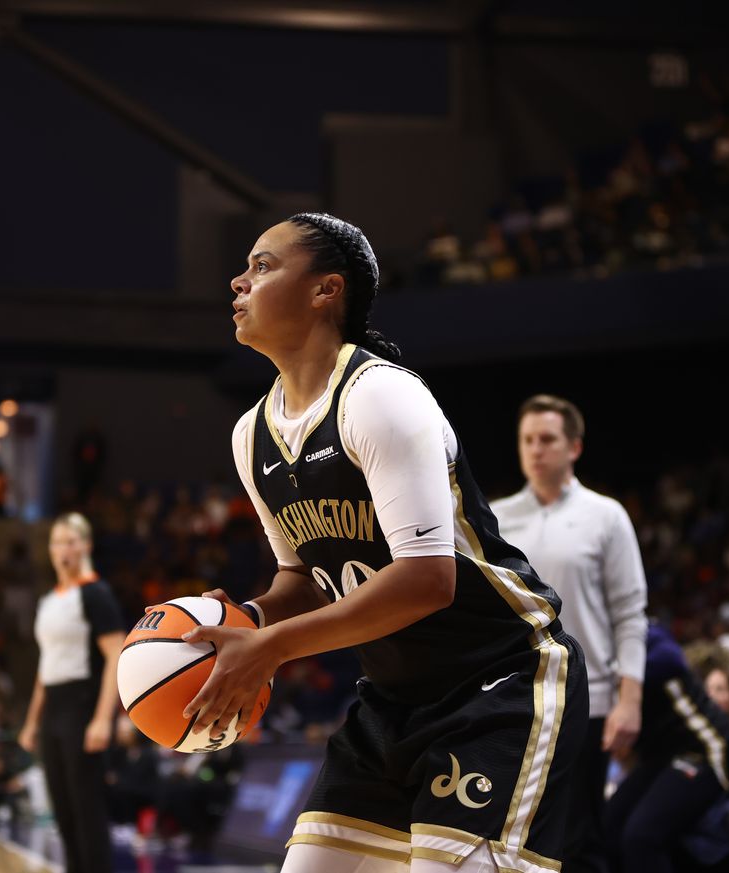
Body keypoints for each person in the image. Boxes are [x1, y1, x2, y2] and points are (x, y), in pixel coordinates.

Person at [182, 213, 587, 873]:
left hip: (498, 683)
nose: (238, 281)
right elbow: (304, 577)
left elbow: (429, 579)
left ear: (325, 290)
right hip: (391, 699)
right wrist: (248, 620)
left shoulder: (381, 398)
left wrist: (271, 648)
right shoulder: (250, 434)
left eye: (262, 265)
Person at [491, 394, 649, 873]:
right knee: (511, 837)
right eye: (527, 440)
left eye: (547, 439)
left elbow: (630, 613)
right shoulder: (495, 518)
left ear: (574, 447)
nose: (536, 449)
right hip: (516, 700)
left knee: (579, 839)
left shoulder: (607, 516)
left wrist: (630, 700)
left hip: (589, 701)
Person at [17, 513, 126, 873]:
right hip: (54, 710)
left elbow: (115, 655)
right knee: (62, 809)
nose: (63, 549)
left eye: (70, 541)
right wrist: (32, 721)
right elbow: (45, 667)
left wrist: (102, 718)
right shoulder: (48, 600)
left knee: (87, 810)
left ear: (85, 546)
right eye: (57, 542)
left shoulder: (95, 593)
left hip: (82, 706)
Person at [603, 625, 729, 873]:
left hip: (706, 747)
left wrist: (621, 678)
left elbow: (671, 659)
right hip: (663, 754)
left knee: (642, 837)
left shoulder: (637, 628)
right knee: (609, 825)